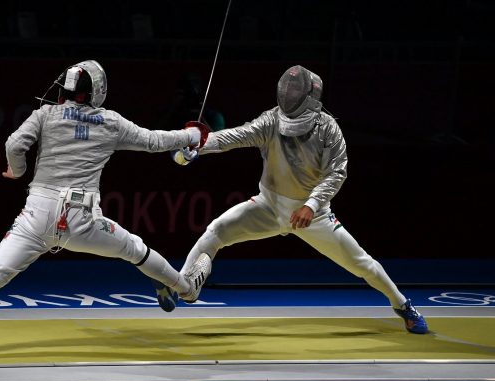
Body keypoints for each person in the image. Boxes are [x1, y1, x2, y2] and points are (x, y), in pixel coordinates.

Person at [0, 60, 208, 355]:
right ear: (98, 91)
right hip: (81, 219)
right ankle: (186, 288)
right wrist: (192, 136)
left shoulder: (46, 114)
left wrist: (17, 171)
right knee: (136, 250)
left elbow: (15, 144)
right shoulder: (111, 122)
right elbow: (154, 141)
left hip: (36, 215)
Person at [171, 65, 429, 334]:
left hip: (313, 216)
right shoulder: (271, 120)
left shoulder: (328, 129)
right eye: (287, 89)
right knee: (216, 230)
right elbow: (236, 135)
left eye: (295, 90)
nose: (289, 94)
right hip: (268, 206)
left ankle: (403, 306)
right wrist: (199, 144)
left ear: (310, 96)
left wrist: (311, 205)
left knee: (361, 263)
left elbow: (337, 172)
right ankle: (181, 286)